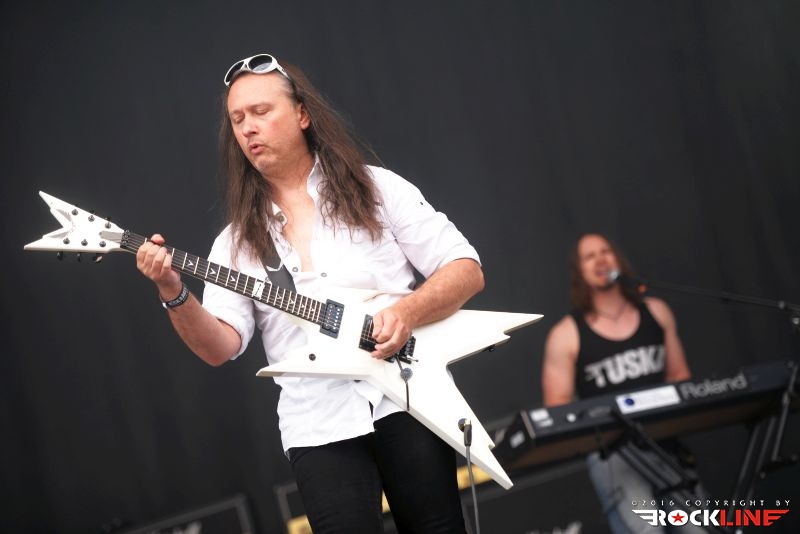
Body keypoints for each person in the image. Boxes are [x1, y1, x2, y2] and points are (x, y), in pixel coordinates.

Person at [135, 53, 482, 533]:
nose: (248, 128)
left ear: (302, 114)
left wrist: (406, 312)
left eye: (261, 111)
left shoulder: (378, 189)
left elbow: (465, 269)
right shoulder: (233, 245)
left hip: (406, 398)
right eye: (237, 119)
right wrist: (172, 290)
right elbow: (219, 347)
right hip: (318, 424)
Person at [542, 233, 707, 533]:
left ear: (618, 259)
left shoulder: (656, 311)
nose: (600, 260)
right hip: (614, 455)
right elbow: (557, 409)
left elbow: (680, 376)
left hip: (665, 441)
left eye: (606, 251)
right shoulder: (566, 334)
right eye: (589, 256)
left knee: (699, 529)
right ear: (578, 271)